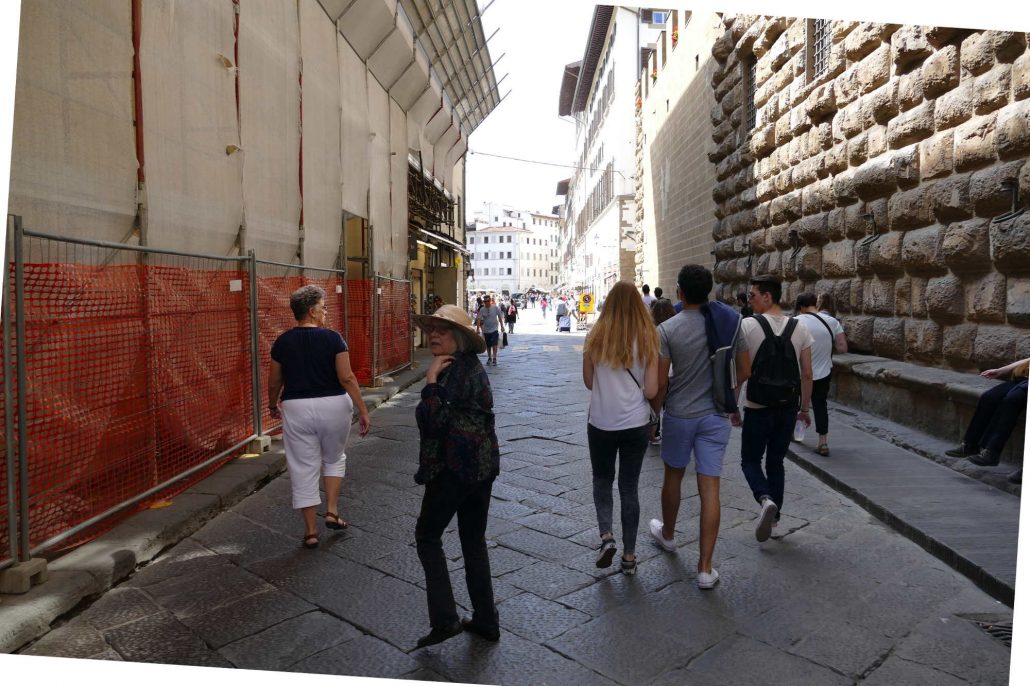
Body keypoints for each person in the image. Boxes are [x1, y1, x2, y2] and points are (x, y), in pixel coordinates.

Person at [412, 305, 500, 648]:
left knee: (427, 536)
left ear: (460, 338)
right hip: (481, 467)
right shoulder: (470, 367)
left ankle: (447, 619)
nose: (434, 335)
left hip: (454, 469)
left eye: (442, 330)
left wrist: (430, 382)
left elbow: (432, 422)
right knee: (473, 542)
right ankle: (485, 620)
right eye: (432, 329)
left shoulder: (450, 372)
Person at [648, 265, 739, 589]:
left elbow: (660, 383)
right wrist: (730, 396)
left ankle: (669, 536)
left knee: (673, 475)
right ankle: (705, 568)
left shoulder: (667, 330)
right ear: (708, 292)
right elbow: (743, 367)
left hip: (679, 415)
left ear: (680, 292)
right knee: (710, 487)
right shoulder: (728, 324)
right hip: (715, 416)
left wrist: (653, 418)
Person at [267, 285, 371, 549]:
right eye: (323, 308)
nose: (325, 312)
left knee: (303, 467)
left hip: (297, 407)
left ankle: (311, 531)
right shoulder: (334, 339)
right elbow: (346, 377)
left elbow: (274, 380)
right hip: (334, 405)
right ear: (312, 312)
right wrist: (363, 409)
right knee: (334, 458)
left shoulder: (282, 342)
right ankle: (333, 510)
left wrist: (271, 404)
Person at [582, 281, 659, 576]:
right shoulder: (649, 338)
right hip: (635, 423)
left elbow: (589, 383)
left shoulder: (594, 336)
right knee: (629, 488)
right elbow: (652, 390)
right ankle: (629, 556)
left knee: (602, 481)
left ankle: (606, 537)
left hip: (601, 421)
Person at [734, 275, 814, 542]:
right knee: (776, 461)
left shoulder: (746, 326)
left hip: (757, 405)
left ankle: (765, 498)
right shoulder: (800, 328)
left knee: (749, 460)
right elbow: (807, 374)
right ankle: (776, 517)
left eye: (753, 295)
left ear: (768, 297)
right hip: (787, 407)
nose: (750, 300)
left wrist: (732, 405)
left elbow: (741, 372)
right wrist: (805, 409)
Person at [945, 357, 1029, 468]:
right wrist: (1002, 370)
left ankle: (991, 452)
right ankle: (970, 445)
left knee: (1011, 400)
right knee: (989, 397)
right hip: (1023, 379)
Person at [794, 292, 847, 456]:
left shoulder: (795, 322)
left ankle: (795, 434)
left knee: (797, 404)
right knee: (820, 405)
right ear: (814, 304)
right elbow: (842, 347)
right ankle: (823, 442)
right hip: (824, 371)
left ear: (801, 307)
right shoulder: (832, 321)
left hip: (800, 372)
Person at [475, 295, 504, 366]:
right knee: (488, 345)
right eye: (485, 301)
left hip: (494, 329)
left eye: (488, 301)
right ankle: (489, 357)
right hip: (486, 330)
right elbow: (478, 319)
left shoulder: (495, 307)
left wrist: (502, 326)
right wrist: (478, 329)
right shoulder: (482, 309)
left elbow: (500, 317)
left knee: (494, 344)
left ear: (490, 301)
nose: (486, 303)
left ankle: (494, 358)